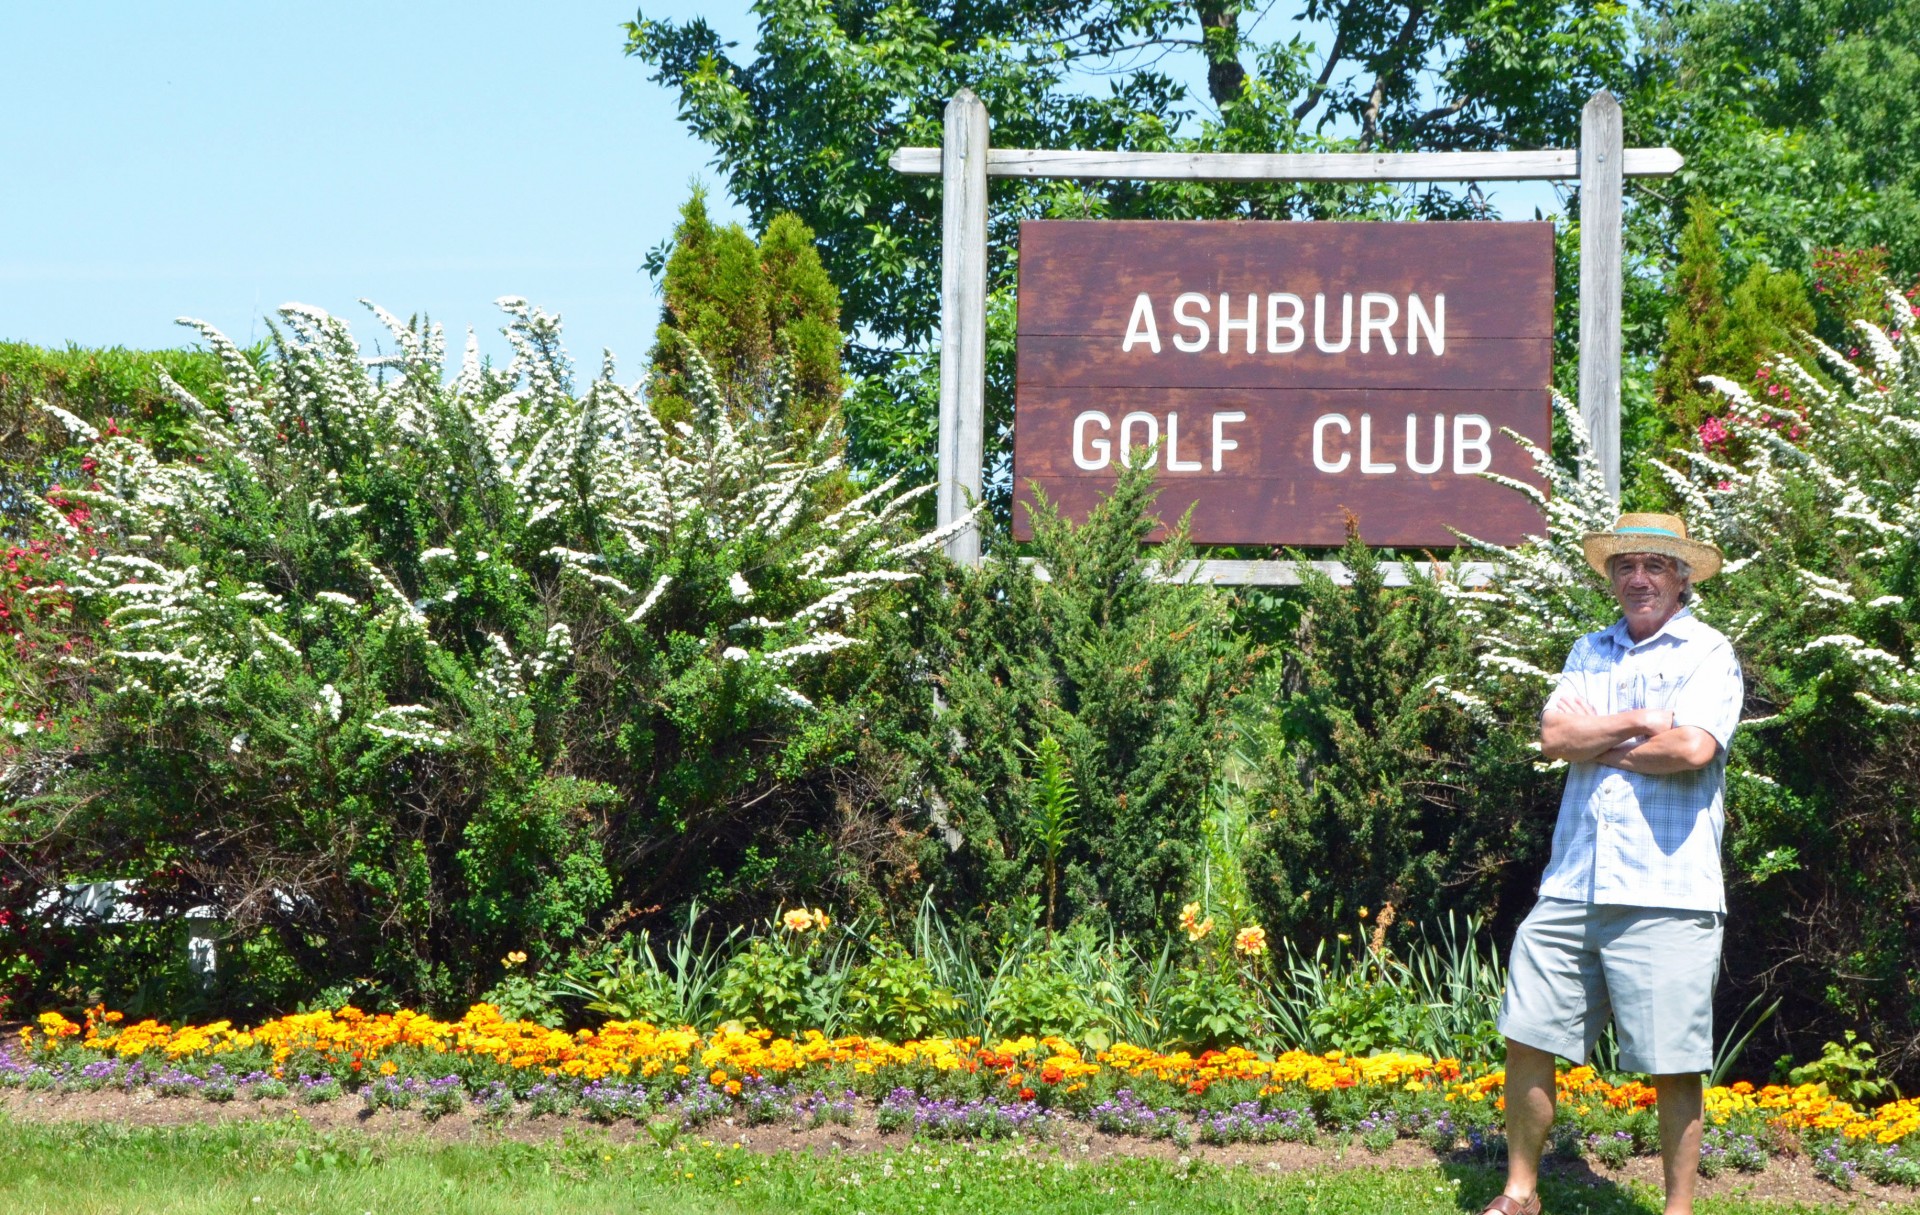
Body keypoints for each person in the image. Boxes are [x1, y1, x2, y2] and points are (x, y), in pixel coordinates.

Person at [1481, 513, 1744, 1215]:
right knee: (1529, 1030)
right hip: (1572, 881)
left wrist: (1599, 740)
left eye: (1655, 566)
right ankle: (1520, 1191)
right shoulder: (1588, 650)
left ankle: (1678, 1209)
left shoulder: (1708, 653)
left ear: (1682, 578)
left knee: (1674, 1060)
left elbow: (1691, 749)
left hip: (1668, 887)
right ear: (1610, 577)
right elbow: (1555, 733)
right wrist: (1639, 720)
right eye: (1625, 565)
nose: (1638, 579)